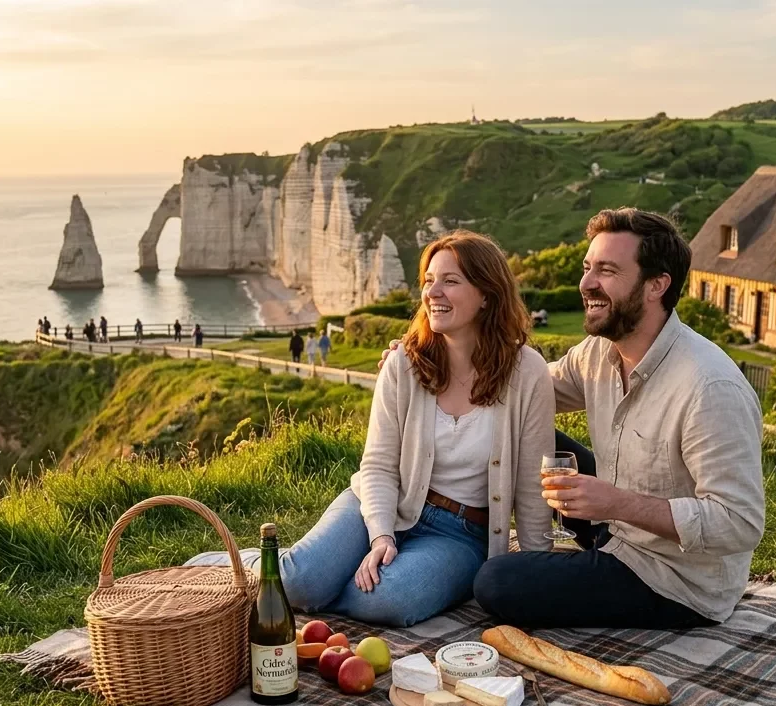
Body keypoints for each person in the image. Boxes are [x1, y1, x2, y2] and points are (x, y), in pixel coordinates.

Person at [381, 208, 764, 630]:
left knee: (495, 582)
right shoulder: (600, 353)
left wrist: (615, 503)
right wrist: (425, 362)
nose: (586, 284)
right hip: (613, 532)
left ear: (657, 285)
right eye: (587, 268)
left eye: (607, 271)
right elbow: (521, 390)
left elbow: (739, 523)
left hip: (673, 579)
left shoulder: (709, 387)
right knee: (535, 434)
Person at [192, 231, 555, 627]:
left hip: (461, 534)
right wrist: (382, 535)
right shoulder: (405, 363)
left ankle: (329, 579)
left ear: (487, 294)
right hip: (385, 500)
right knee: (298, 584)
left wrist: (536, 577)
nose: (434, 292)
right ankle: (251, 568)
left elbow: (533, 486)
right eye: (429, 280)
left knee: (390, 601)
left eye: (451, 281)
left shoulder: (527, 372)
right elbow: (379, 464)